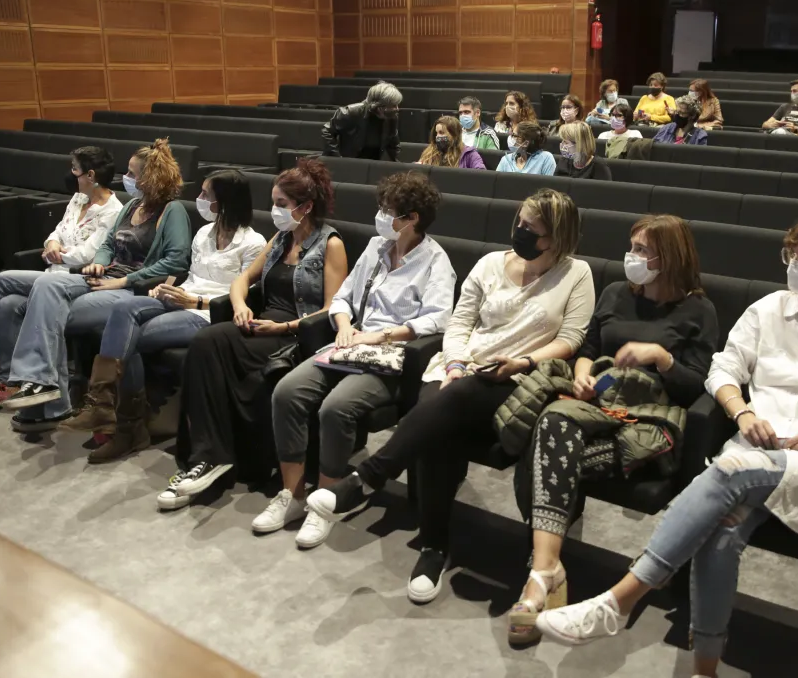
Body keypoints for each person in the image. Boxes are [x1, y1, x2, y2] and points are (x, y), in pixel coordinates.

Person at [534, 213, 798, 676]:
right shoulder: (769, 310)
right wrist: (744, 412)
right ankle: (705, 670)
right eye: (793, 253)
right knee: (722, 535)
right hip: (755, 450)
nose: (796, 263)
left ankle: (620, 600)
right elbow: (723, 372)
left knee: (730, 472)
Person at [305, 189, 595, 605]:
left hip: (517, 378)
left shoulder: (575, 273)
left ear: (556, 237)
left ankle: (367, 480)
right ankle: (432, 547)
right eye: (519, 222)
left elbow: (570, 340)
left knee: (450, 403)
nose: (520, 231)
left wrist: (521, 362)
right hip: (462, 368)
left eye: (532, 228)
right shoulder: (491, 264)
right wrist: (457, 364)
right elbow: (459, 323)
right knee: (439, 419)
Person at [507, 214, 718, 644]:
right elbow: (588, 348)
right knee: (556, 423)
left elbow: (699, 386)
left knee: (547, 442)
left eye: (643, 250)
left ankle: (542, 574)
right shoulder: (616, 293)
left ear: (670, 257)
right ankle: (545, 572)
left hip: (645, 422)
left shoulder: (699, 310)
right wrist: (582, 374)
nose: (633, 256)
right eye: (632, 247)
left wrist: (660, 356)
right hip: (597, 404)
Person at [256, 171, 456, 546]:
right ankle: (293, 494)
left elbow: (437, 318)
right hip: (353, 343)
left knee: (336, 408)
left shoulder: (435, 261)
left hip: (392, 355)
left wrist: (380, 334)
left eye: (388, 211)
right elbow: (345, 296)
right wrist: (344, 325)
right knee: (287, 391)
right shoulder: (376, 248)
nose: (381, 216)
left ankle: (328, 503)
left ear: (412, 218)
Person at [162, 159, 348, 508]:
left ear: (305, 207)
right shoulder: (280, 238)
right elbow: (241, 280)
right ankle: (209, 456)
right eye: (274, 203)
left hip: (297, 333)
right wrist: (239, 305)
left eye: (281, 205)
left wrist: (284, 326)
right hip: (262, 323)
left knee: (218, 349)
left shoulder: (330, 244)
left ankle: (220, 455)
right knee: (205, 342)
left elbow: (332, 308)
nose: (274, 211)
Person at [60, 170, 266, 464]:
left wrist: (194, 300)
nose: (200, 200)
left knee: (129, 338)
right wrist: (166, 289)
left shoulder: (253, 243)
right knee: (122, 311)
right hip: (182, 298)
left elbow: (246, 298)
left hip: (208, 313)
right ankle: (103, 403)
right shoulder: (204, 233)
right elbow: (191, 277)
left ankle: (124, 427)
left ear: (224, 202)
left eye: (207, 195)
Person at [0, 139, 191, 433]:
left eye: (132, 173)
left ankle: (47, 397)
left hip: (129, 289)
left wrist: (124, 280)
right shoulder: (132, 206)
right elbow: (109, 243)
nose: (126, 178)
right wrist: (100, 262)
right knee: (47, 286)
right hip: (103, 278)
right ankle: (42, 384)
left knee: (47, 310)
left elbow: (175, 261)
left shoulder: (173, 211)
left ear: (148, 178)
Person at [0, 146, 124, 412]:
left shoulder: (113, 211)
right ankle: (8, 382)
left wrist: (57, 252)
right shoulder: (78, 199)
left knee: (2, 279)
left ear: (90, 175)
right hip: (52, 272)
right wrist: (53, 244)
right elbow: (56, 231)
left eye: (74, 168)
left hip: (76, 281)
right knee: (8, 304)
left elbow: (88, 255)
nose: (71, 173)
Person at [321, 82, 401, 162]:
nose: (397, 109)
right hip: (351, 161)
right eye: (393, 105)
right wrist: (338, 158)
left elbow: (393, 142)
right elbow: (327, 131)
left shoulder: (392, 117)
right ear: (379, 107)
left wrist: (398, 163)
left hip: (374, 162)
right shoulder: (351, 112)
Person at [416, 116, 485, 170]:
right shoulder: (430, 152)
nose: (437, 136)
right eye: (436, 133)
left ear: (454, 134)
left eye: (441, 133)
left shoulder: (469, 154)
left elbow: (481, 174)